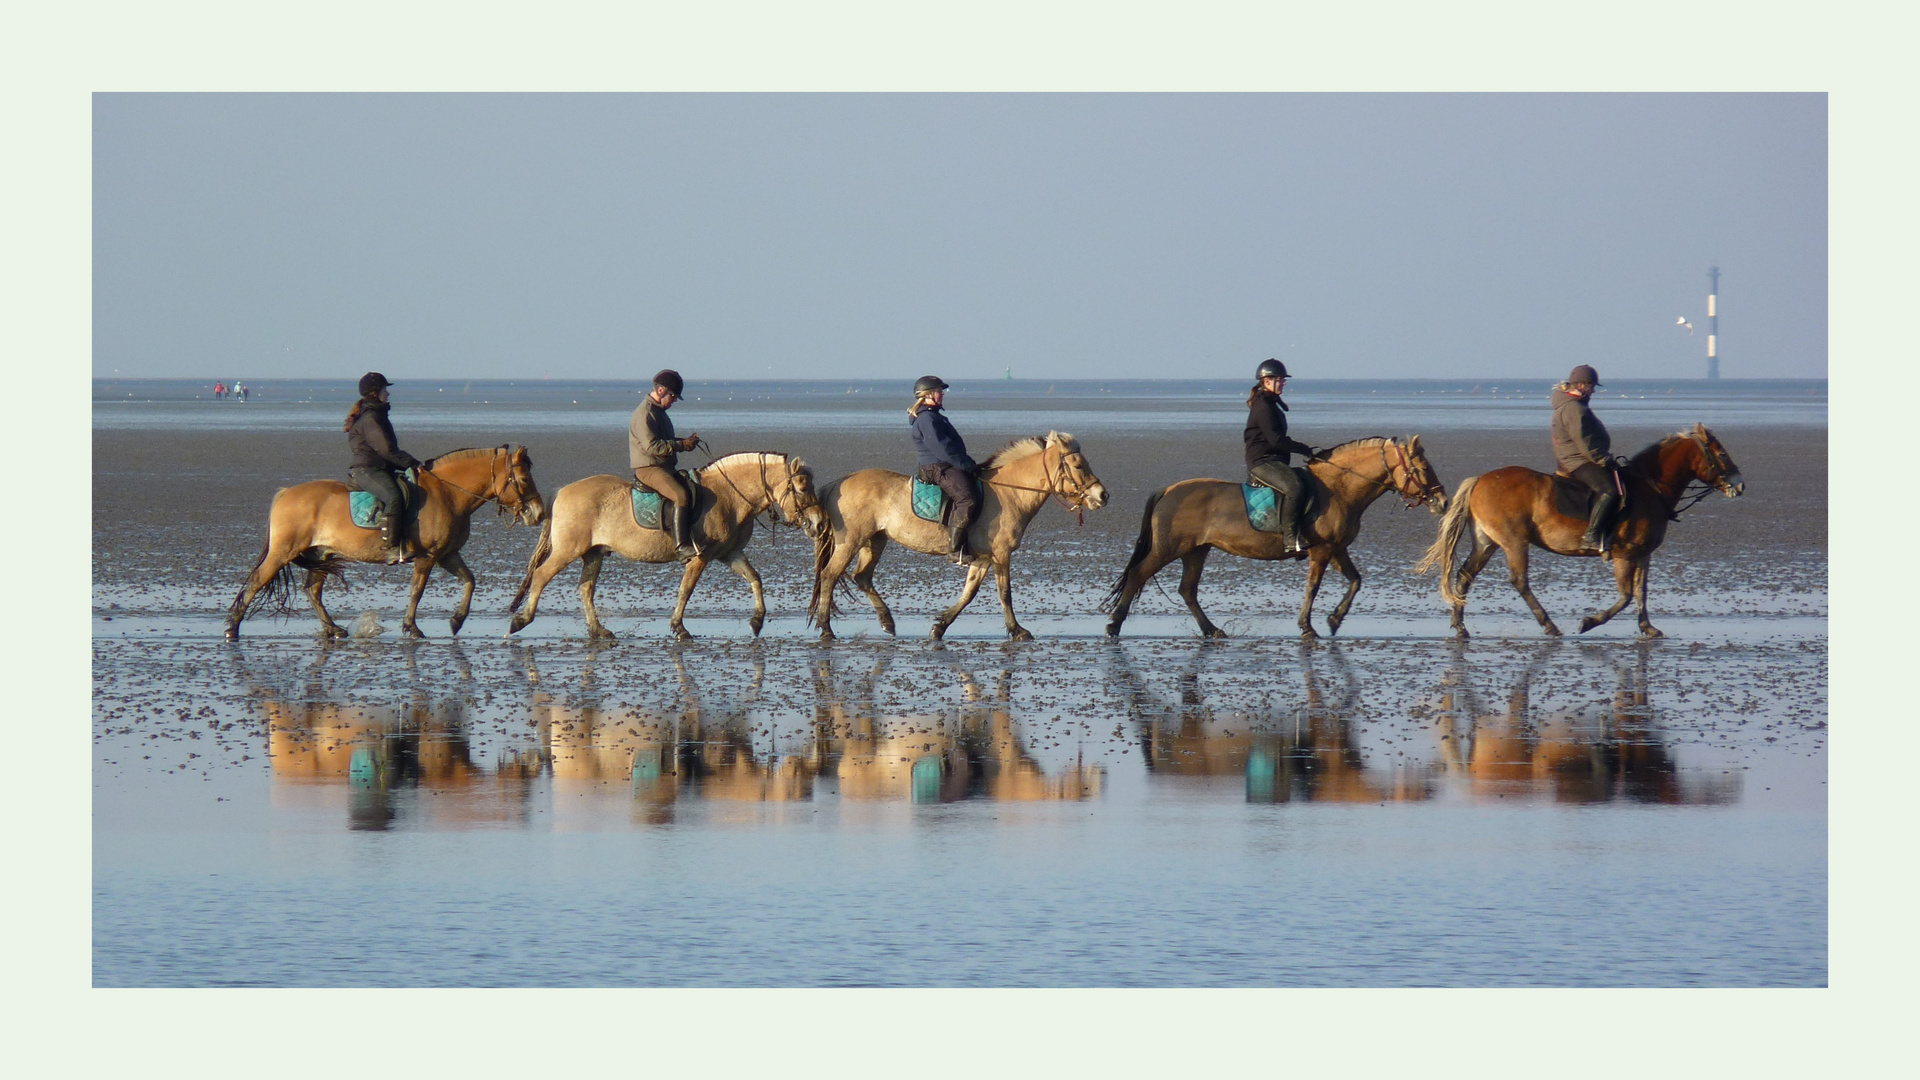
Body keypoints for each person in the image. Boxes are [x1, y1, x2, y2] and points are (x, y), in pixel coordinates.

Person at [345, 371, 424, 561]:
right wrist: (413, 464)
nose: (387, 394)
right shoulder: (371, 418)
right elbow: (386, 450)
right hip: (367, 470)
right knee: (394, 497)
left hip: (380, 468)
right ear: (374, 393)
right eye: (384, 390)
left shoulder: (377, 415)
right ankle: (390, 548)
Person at [1243, 358, 1317, 549]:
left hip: (1275, 459)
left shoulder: (1271, 403)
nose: (1283, 383)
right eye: (1280, 380)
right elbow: (1276, 440)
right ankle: (1290, 539)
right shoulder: (1263, 406)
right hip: (1262, 461)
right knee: (1294, 487)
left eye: (1284, 380)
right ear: (1267, 381)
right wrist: (1303, 448)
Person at [630, 369, 702, 560]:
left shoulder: (659, 412)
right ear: (660, 390)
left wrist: (685, 443)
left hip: (665, 467)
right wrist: (680, 445)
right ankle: (681, 547)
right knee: (680, 495)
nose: (674, 400)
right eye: (672, 396)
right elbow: (653, 447)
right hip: (650, 469)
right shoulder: (645, 414)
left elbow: (666, 440)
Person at [908, 374, 980, 562]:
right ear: (928, 395)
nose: (942, 394)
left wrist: (968, 463)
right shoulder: (927, 419)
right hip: (937, 466)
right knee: (966, 500)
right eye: (939, 391)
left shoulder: (934, 416)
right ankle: (955, 550)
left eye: (941, 391)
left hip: (945, 463)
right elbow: (943, 449)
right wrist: (965, 465)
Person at [1551, 363, 1617, 552]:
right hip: (1578, 461)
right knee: (1609, 491)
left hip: (1577, 457)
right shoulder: (1574, 409)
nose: (1593, 391)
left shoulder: (1574, 405)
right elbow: (1584, 441)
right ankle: (1591, 536)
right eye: (1592, 386)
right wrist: (1603, 459)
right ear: (1581, 385)